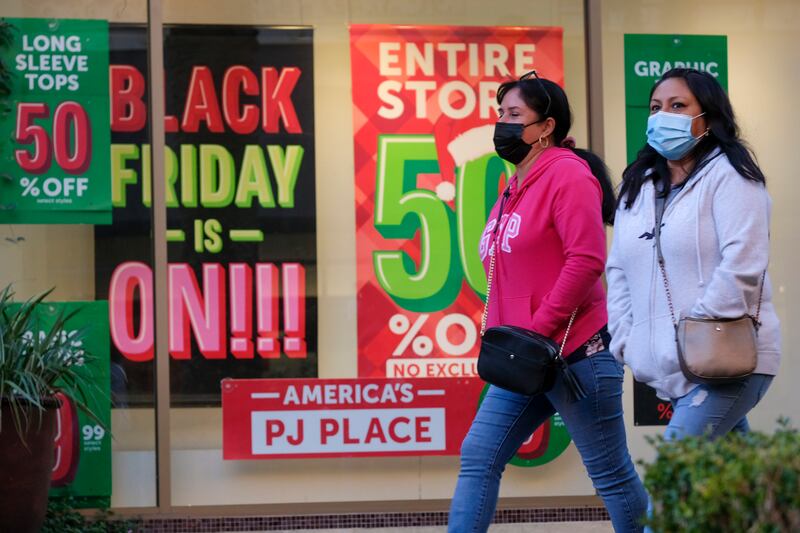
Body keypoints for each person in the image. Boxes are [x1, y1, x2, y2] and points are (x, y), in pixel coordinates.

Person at [448, 71, 648, 533]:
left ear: (546, 126)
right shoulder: (514, 186)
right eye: (501, 114)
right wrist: (520, 340)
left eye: (515, 115)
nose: (503, 124)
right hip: (526, 359)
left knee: (611, 475)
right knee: (479, 456)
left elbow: (587, 259)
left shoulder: (567, 175)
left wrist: (539, 329)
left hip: (576, 355)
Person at [606, 67, 780, 443]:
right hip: (672, 367)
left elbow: (744, 263)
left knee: (675, 478)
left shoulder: (732, 176)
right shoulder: (638, 188)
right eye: (655, 107)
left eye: (678, 105)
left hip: (726, 359)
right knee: (728, 486)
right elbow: (618, 268)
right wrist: (626, 339)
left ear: (707, 117)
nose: (662, 115)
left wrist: (692, 332)